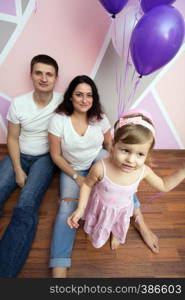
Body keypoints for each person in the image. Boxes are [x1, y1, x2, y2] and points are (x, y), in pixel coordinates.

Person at [48, 78, 159, 278]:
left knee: (120, 182)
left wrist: (127, 166)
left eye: (89, 95)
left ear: (94, 98)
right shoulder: (58, 120)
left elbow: (110, 146)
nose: (84, 99)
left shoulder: (100, 118)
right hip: (72, 168)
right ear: (70, 97)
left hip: (97, 160)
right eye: (79, 94)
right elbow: (55, 155)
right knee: (66, 207)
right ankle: (59, 265)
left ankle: (140, 221)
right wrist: (76, 177)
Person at [68, 110, 185, 251]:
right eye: (125, 150)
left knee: (117, 223)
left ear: (147, 154)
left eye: (140, 154)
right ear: (113, 145)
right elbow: (87, 185)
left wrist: (183, 171)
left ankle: (115, 233)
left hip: (122, 210)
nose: (131, 160)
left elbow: (164, 185)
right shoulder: (101, 168)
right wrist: (80, 209)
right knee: (99, 223)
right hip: (101, 207)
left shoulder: (144, 171)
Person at [0, 54, 61, 277]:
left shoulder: (63, 102)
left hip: (45, 158)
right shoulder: (19, 103)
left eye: (49, 74)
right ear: (31, 75)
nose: (43, 78)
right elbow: (13, 139)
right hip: (20, 154)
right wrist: (17, 169)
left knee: (25, 205)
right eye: (39, 73)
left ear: (56, 78)